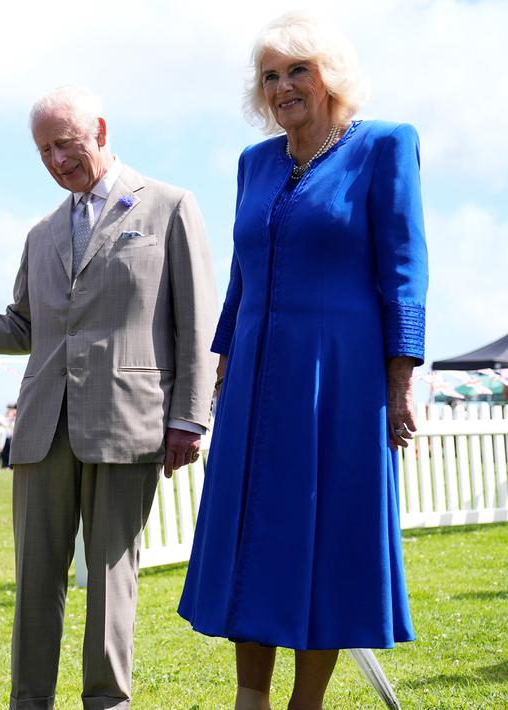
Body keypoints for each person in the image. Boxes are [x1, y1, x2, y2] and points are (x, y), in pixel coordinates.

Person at [0, 86, 217, 709]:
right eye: (43, 151)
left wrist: (188, 418)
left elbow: (197, 323)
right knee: (35, 581)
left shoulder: (171, 207)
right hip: (43, 429)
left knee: (110, 582)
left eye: (65, 144)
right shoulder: (42, 234)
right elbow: (23, 327)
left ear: (98, 128)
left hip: (130, 425)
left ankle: (107, 703)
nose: (56, 161)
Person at [177, 12, 425, 709]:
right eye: (269, 76)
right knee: (251, 531)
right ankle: (250, 698)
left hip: (341, 380)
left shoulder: (383, 147)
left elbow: (404, 269)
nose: (282, 86)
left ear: (330, 77)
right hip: (255, 377)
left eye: (297, 70)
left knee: (329, 535)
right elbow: (241, 277)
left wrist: (398, 379)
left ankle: (304, 703)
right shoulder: (252, 163)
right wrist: (220, 370)